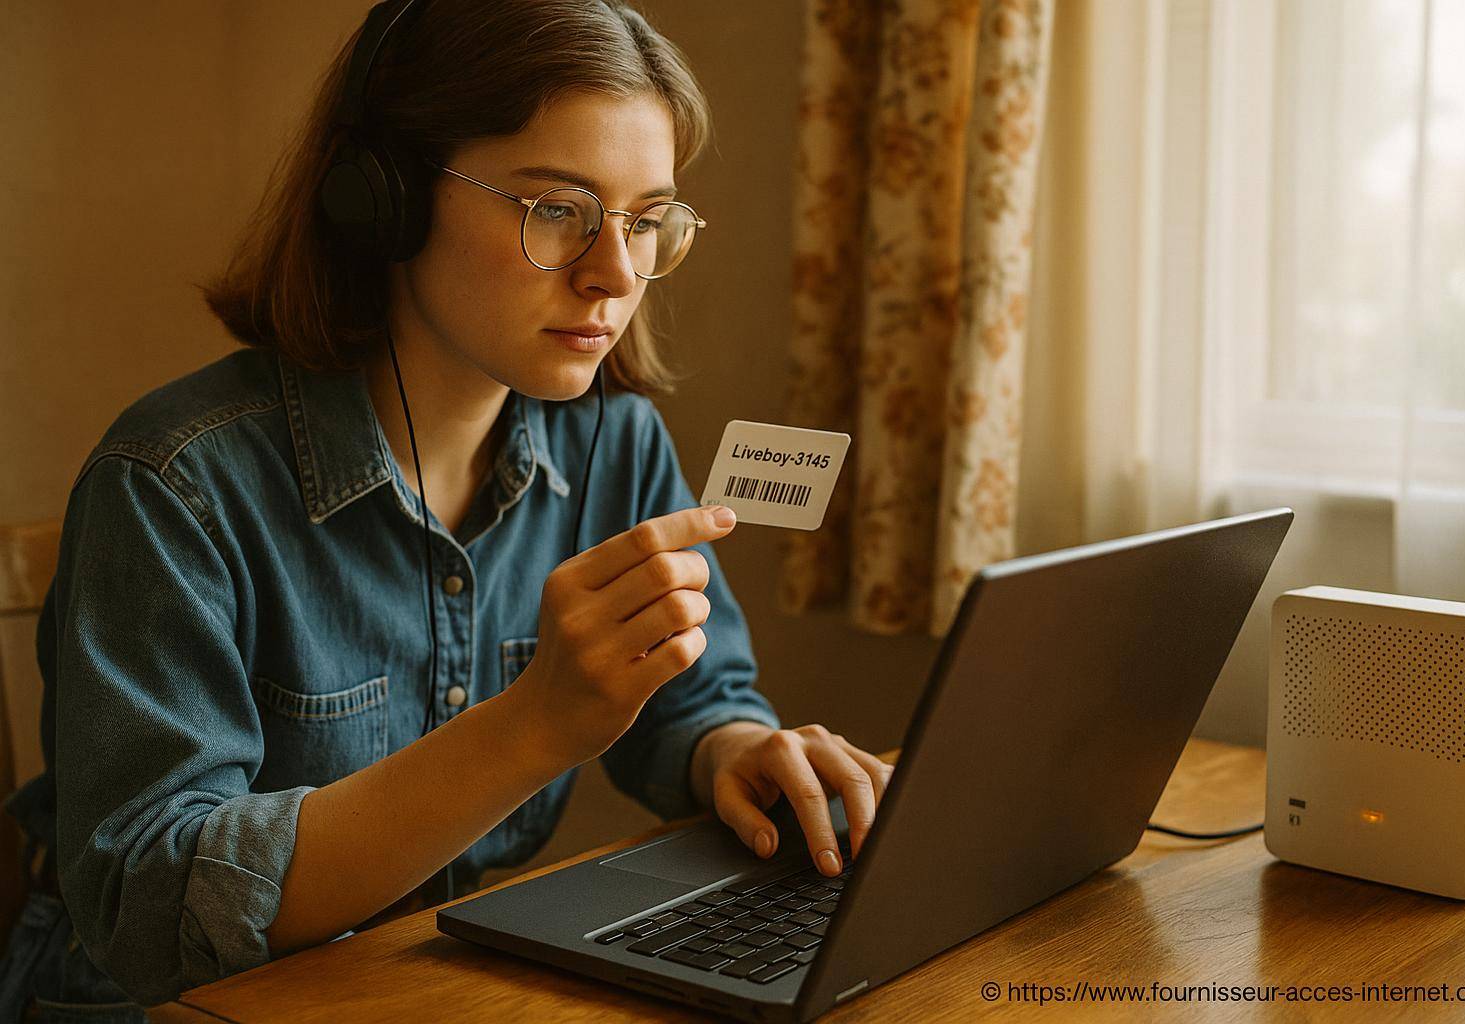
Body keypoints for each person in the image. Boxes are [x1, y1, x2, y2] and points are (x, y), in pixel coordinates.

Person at [0, 1, 891, 1018]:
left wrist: (735, 748)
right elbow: (153, 907)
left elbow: (683, 699)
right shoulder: (172, 483)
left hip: (425, 984)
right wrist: (530, 727)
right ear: (382, 200)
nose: (616, 274)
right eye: (557, 209)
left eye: (646, 220)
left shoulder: (617, 443)